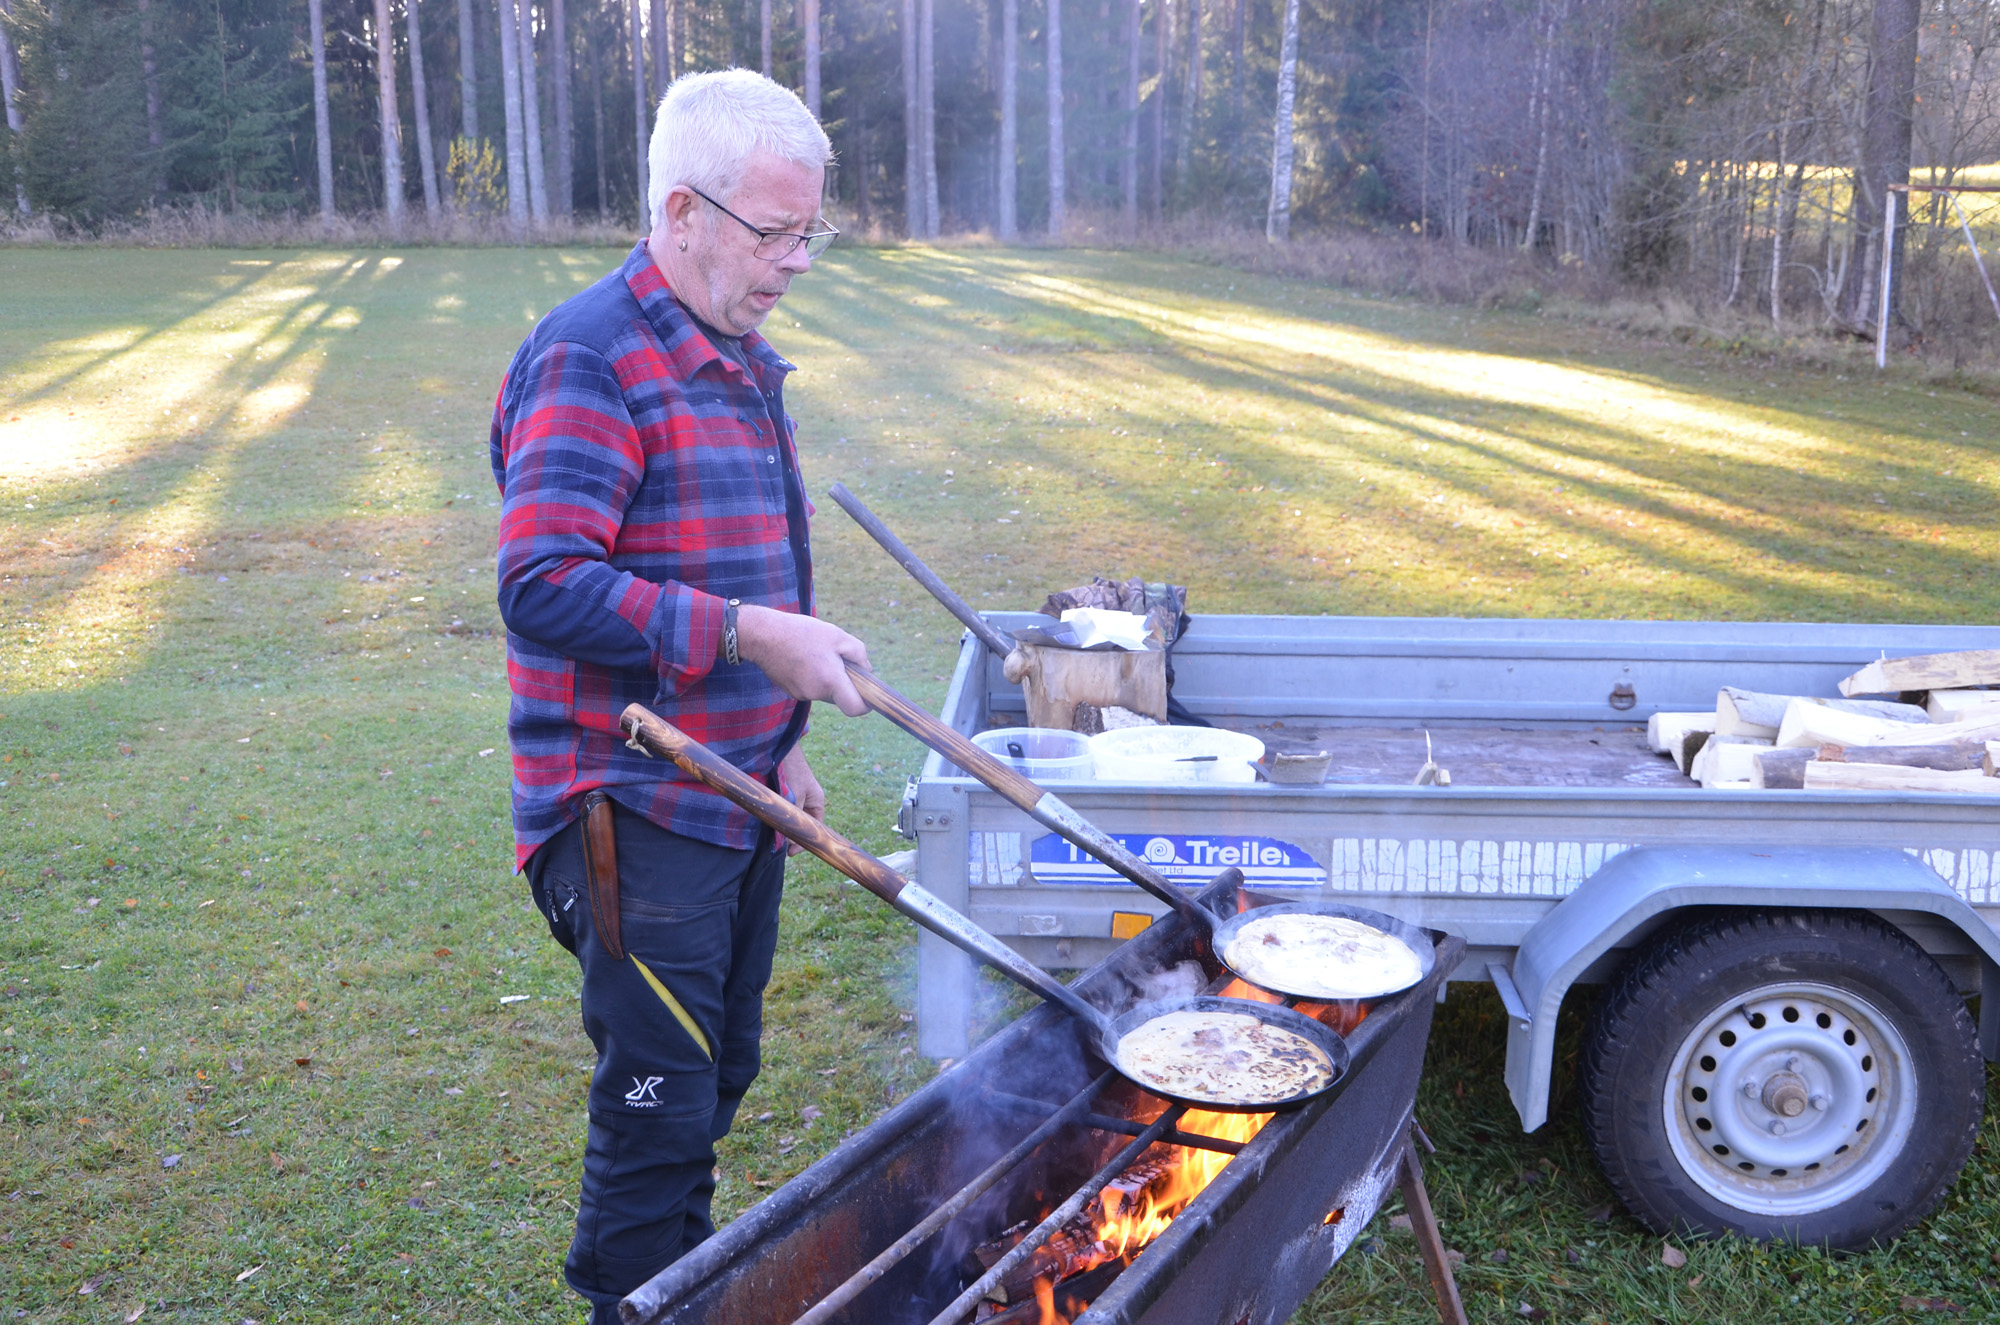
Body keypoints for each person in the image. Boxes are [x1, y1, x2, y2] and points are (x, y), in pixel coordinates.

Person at [489, 69, 868, 1322]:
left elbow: (727, 554)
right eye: (773, 231)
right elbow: (540, 582)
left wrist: (781, 738)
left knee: (716, 1073)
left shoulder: (733, 350)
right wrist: (754, 635)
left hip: (728, 789)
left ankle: (687, 1293)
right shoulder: (590, 355)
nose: (795, 261)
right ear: (682, 211)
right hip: (630, 807)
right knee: (658, 1102)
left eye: (808, 231)